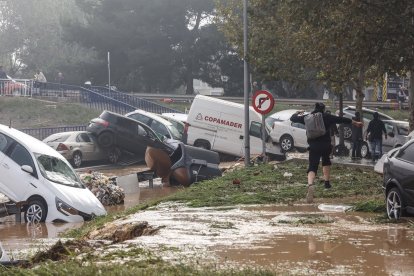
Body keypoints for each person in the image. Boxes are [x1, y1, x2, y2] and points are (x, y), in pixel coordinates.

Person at [290, 103, 363, 203]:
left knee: (312, 166)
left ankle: (310, 184)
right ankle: (327, 182)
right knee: (326, 161)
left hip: (313, 146)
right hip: (326, 145)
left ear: (314, 108)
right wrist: (355, 123)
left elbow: (293, 118)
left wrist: (298, 113)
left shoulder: (307, 117)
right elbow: (341, 119)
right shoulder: (327, 116)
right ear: (323, 109)